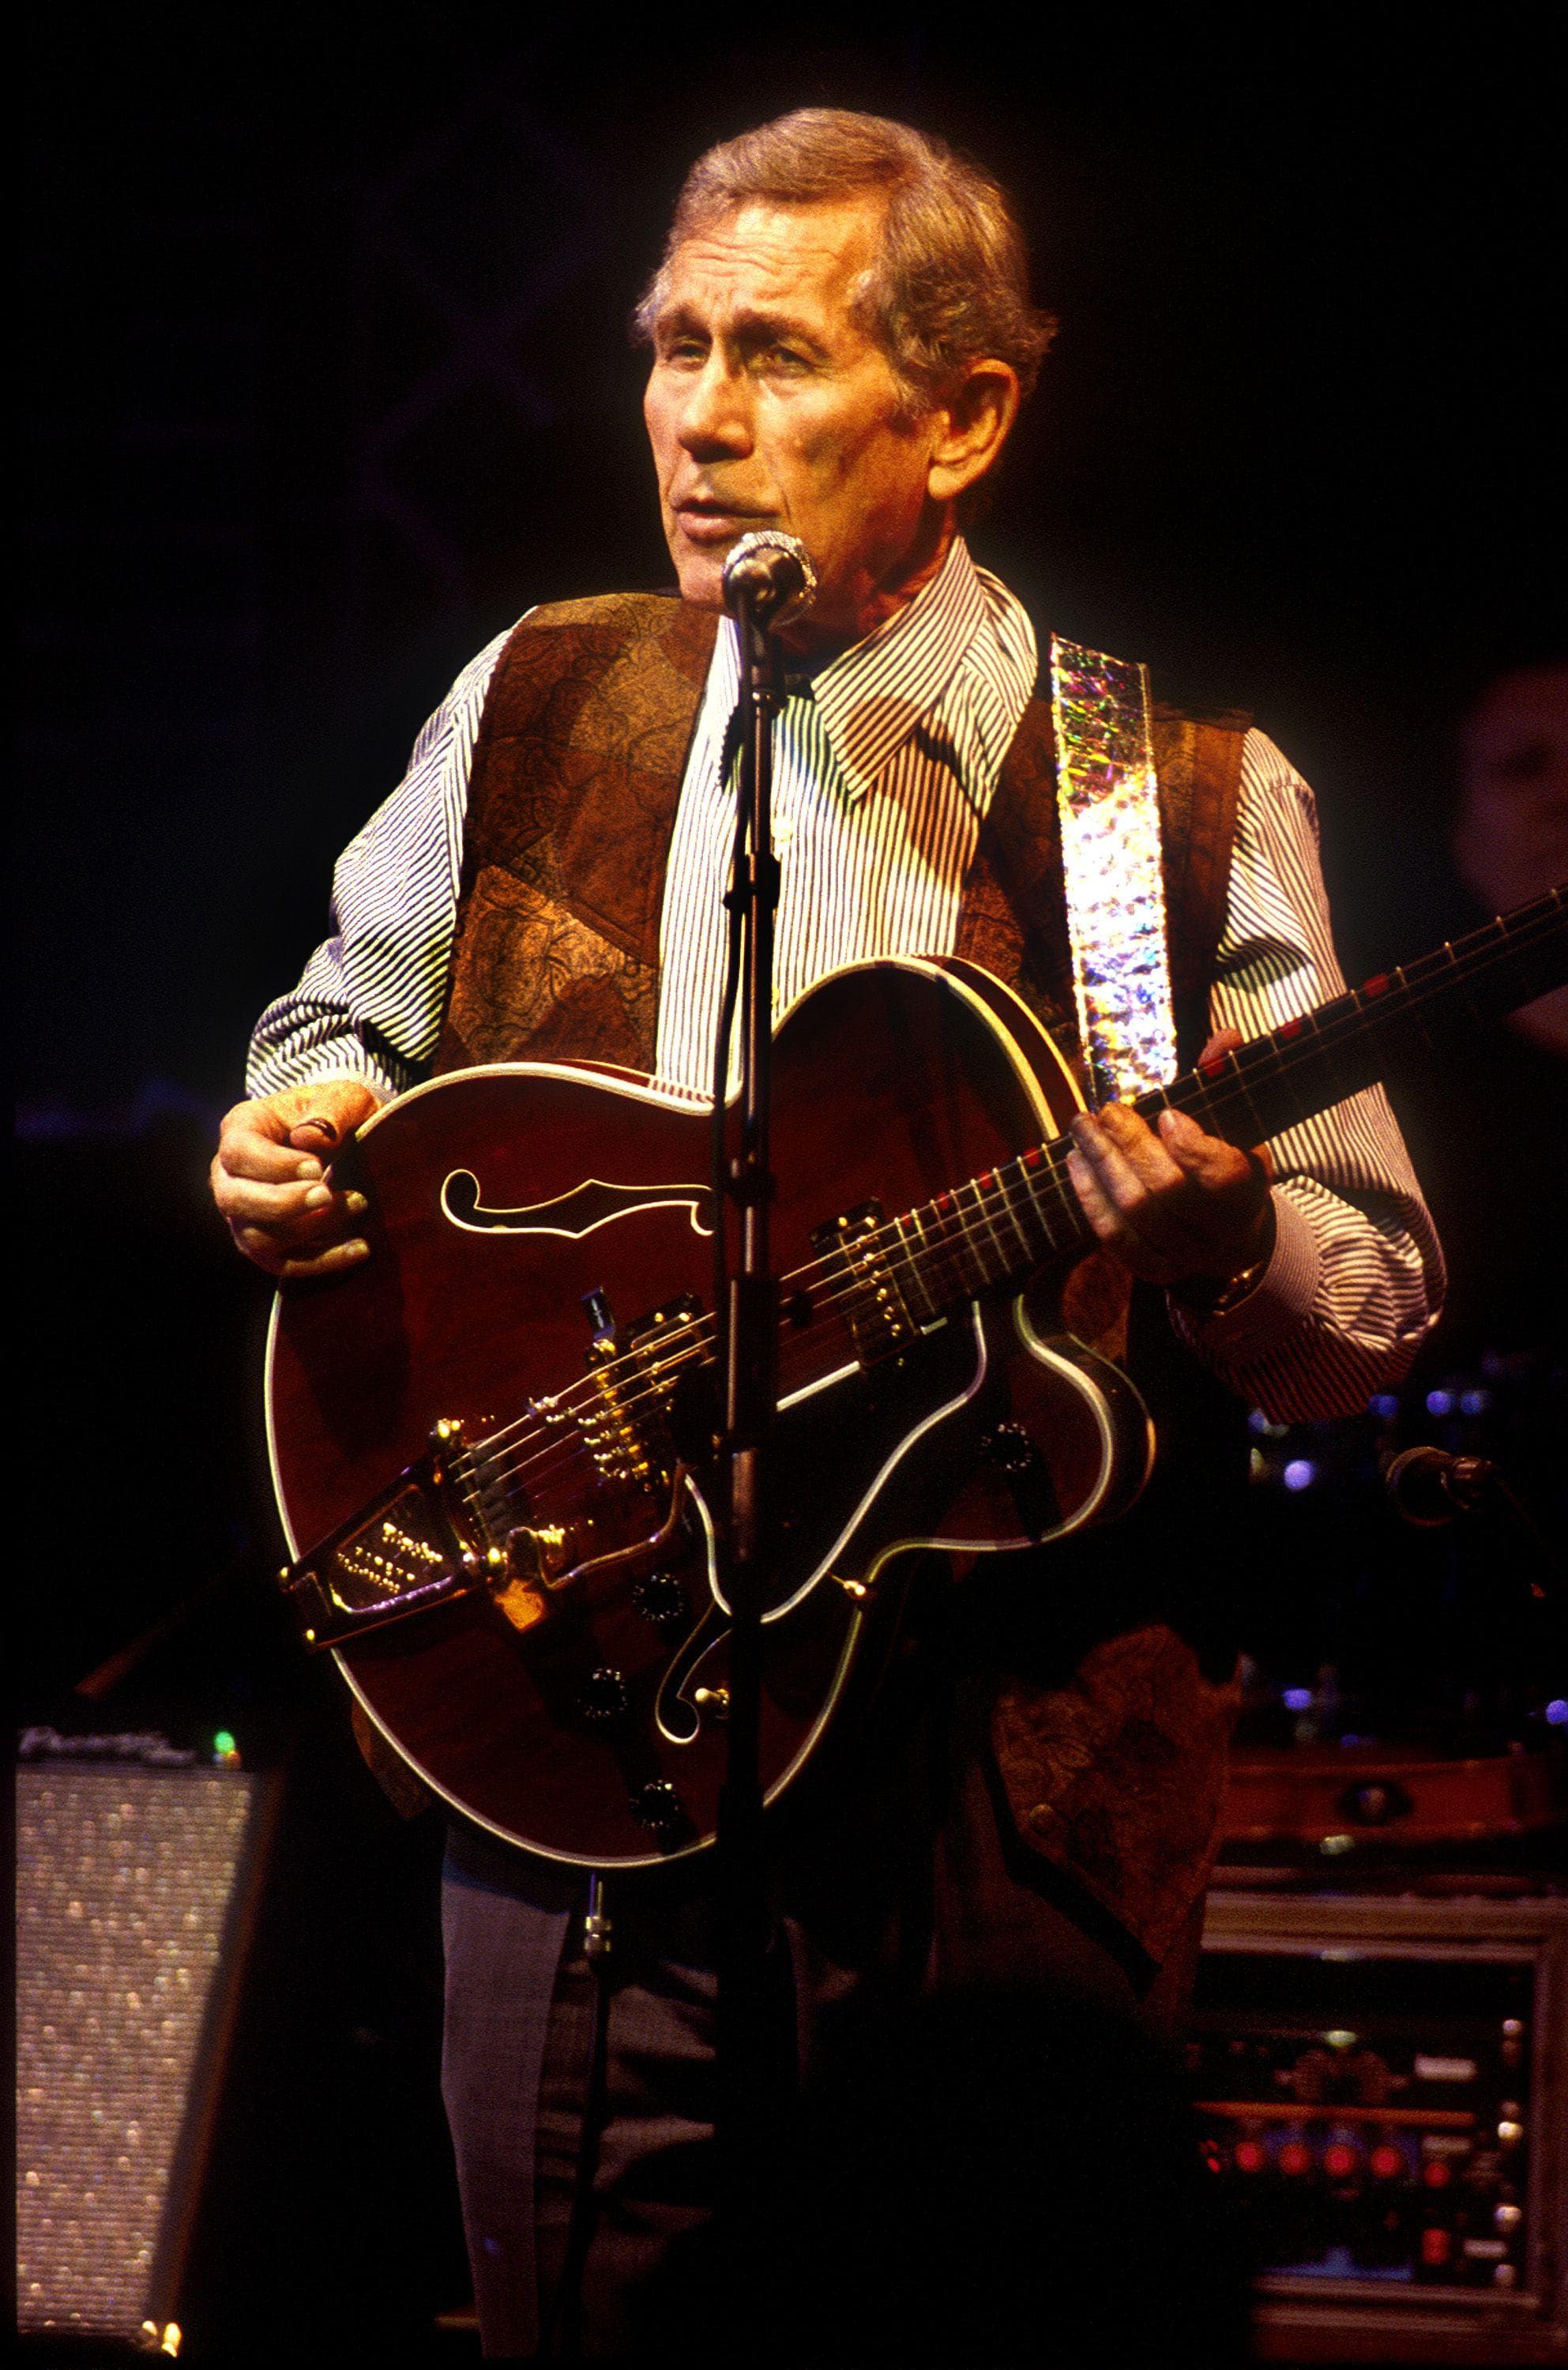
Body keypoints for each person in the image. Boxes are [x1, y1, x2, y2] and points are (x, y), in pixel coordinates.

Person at [211, 111, 1443, 2361]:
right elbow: (343, 1026)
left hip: (995, 1797)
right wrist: (293, 1128)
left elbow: (1366, 1302)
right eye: (670, 345)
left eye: (771, 354)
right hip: (580, 1714)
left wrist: (1222, 1240)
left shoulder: (1161, 802)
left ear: (961, 416)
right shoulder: (538, 693)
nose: (694, 417)